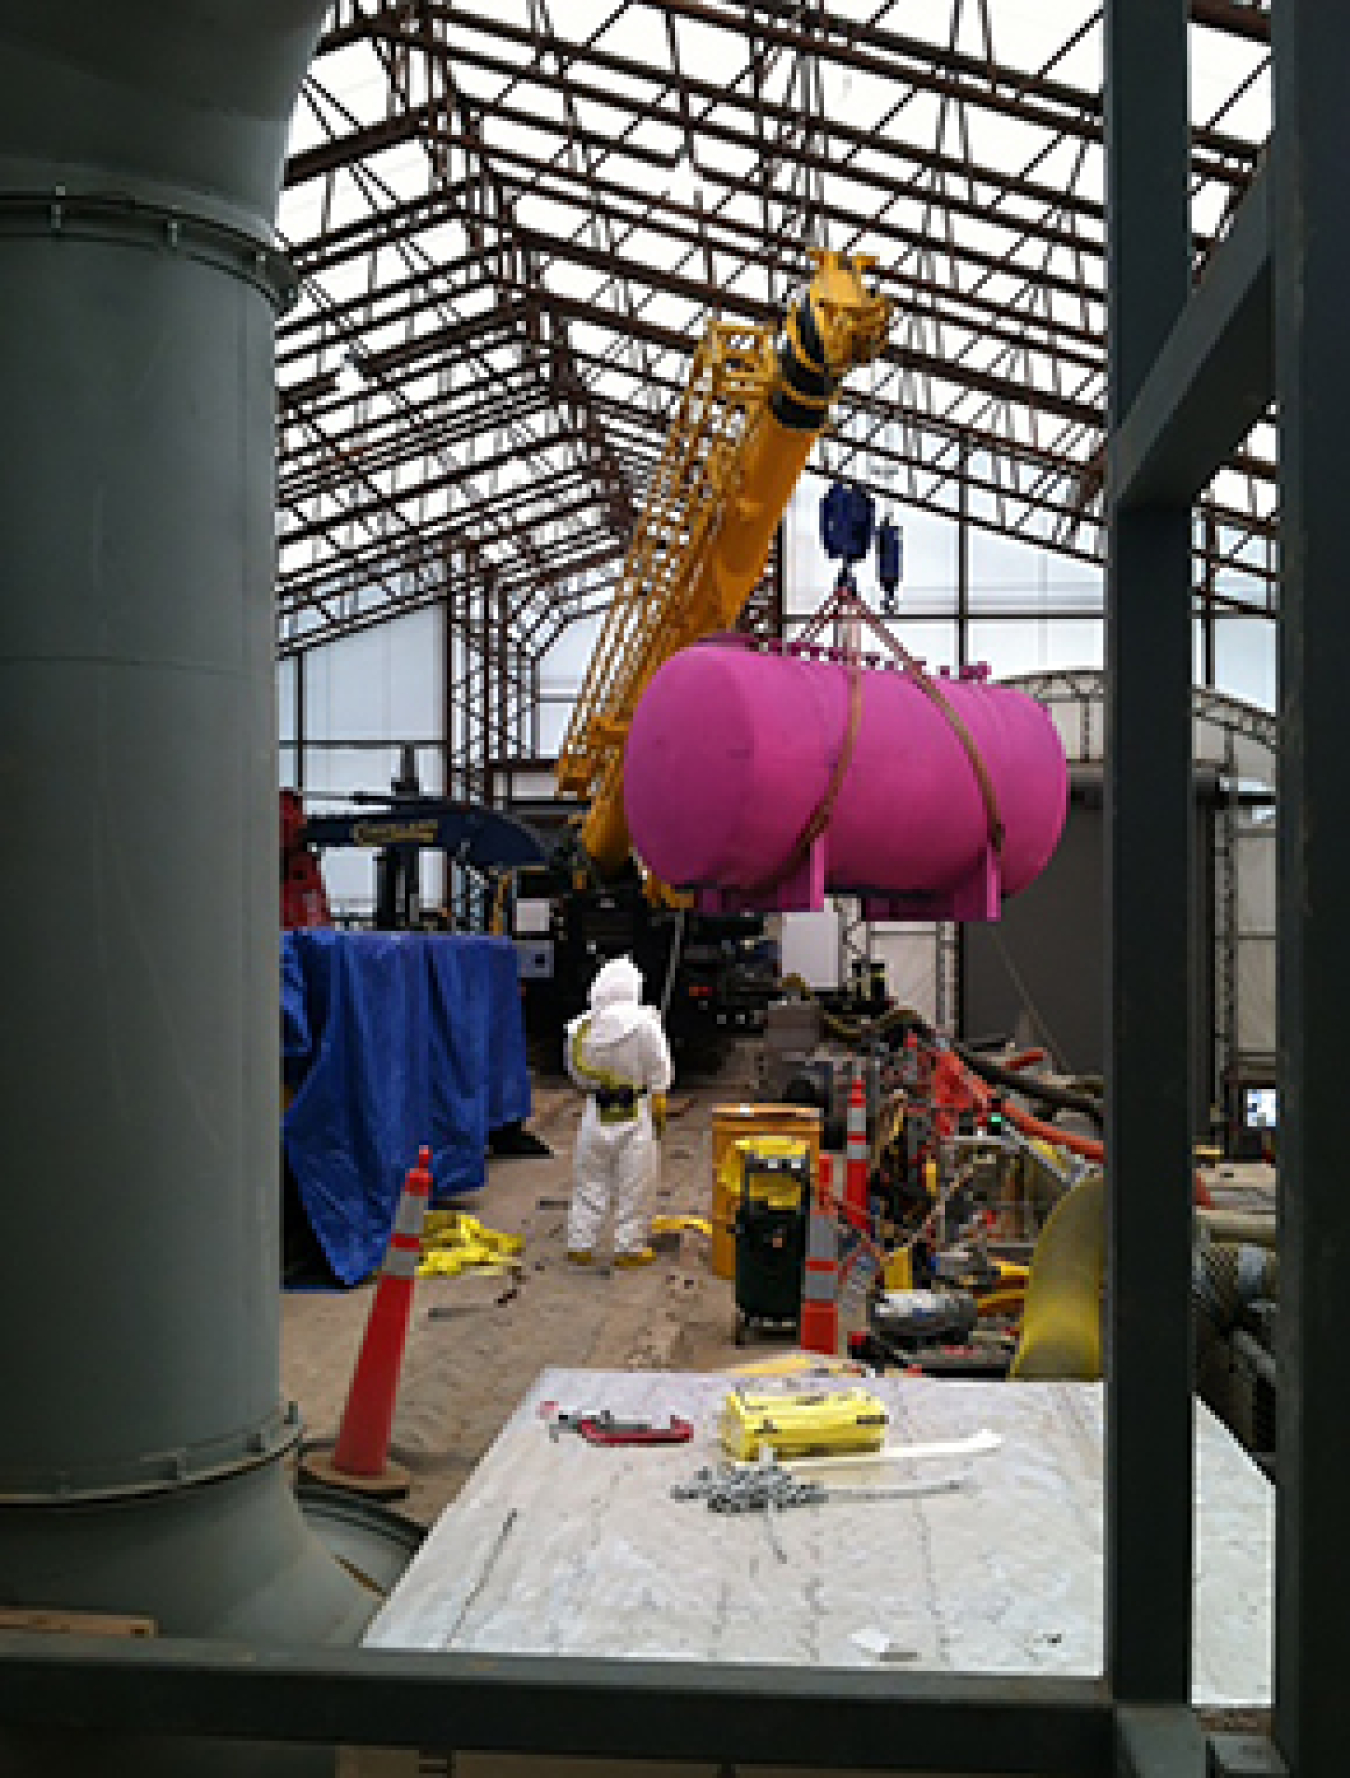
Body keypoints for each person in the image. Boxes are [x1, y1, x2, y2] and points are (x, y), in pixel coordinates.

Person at [565, 955, 673, 1267]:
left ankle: (580, 1243)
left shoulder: (579, 1030)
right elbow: (659, 1067)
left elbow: (578, 1076)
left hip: (595, 1113)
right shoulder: (644, 1026)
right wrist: (659, 1098)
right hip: (635, 1114)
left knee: (590, 1180)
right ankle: (629, 1247)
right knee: (634, 1184)